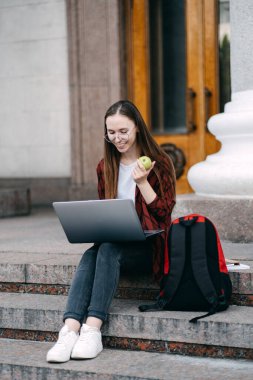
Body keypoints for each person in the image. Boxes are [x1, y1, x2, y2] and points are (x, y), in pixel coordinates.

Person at [46, 100, 176, 363]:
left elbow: (163, 214)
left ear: (137, 128)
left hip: (150, 249)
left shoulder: (159, 163)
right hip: (115, 246)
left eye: (124, 131)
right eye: (112, 132)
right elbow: (106, 214)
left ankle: (93, 328)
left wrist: (142, 182)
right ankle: (70, 330)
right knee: (94, 253)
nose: (118, 138)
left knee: (107, 250)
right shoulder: (105, 166)